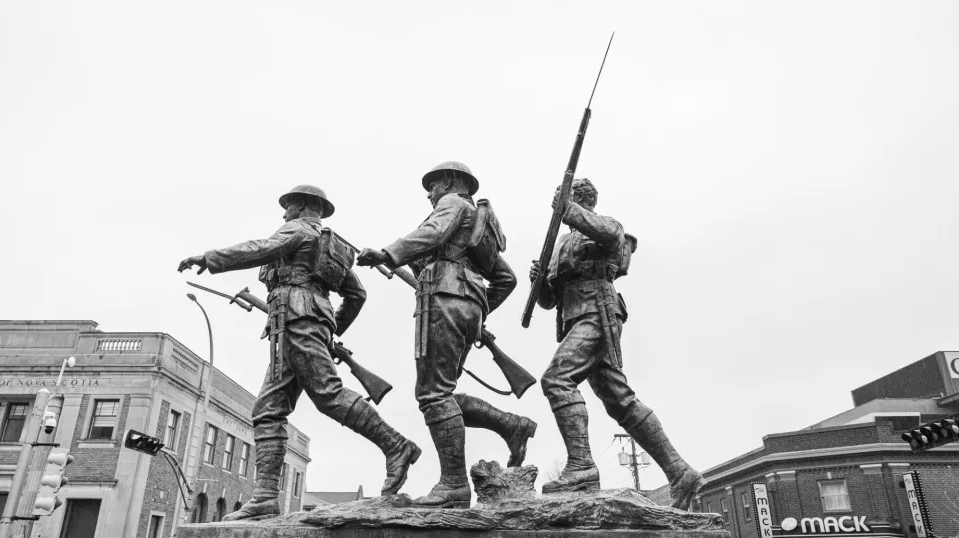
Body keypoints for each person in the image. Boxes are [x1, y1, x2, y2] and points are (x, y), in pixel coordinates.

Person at [178, 185, 421, 520]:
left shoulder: (297, 230)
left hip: (294, 319)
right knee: (268, 410)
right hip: (295, 323)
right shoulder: (328, 244)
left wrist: (210, 258)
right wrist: (330, 329)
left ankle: (396, 446)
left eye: (288, 206)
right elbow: (357, 294)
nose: (284, 214)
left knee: (327, 394)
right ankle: (264, 497)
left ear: (304, 206)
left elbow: (260, 248)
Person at [357, 162, 536, 509]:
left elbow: (431, 233)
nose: (429, 192)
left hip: (444, 303)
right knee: (443, 394)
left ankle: (454, 484)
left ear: (453, 182)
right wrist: (477, 313)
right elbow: (506, 279)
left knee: (433, 395)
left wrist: (388, 253)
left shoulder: (452, 204)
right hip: (464, 306)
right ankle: (511, 425)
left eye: (434, 185)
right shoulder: (474, 222)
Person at [529, 177, 704, 509]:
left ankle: (581, 465)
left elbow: (610, 235)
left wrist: (568, 210)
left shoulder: (606, 227)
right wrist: (538, 281)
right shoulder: (559, 245)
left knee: (557, 379)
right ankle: (680, 471)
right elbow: (549, 301)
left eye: (569, 200)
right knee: (620, 400)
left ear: (582, 203)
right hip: (576, 319)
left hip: (598, 313)